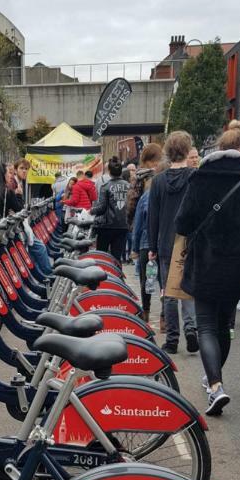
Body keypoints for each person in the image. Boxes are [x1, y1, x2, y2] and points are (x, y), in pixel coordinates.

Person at [175, 127, 240, 415]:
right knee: (224, 326)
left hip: (204, 264)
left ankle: (215, 385)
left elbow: (182, 224)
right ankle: (215, 379)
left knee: (205, 326)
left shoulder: (200, 179)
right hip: (237, 267)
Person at [148, 130, 199, 355]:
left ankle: (172, 338)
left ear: (168, 152)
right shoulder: (196, 177)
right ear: (188, 151)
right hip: (190, 241)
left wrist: (151, 246)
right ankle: (191, 329)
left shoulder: (158, 181)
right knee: (188, 286)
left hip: (167, 242)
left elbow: (153, 217)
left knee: (169, 291)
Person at [90, 156, 130, 261]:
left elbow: (102, 208)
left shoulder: (105, 186)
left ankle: (103, 276)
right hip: (122, 226)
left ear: (109, 171)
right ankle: (117, 276)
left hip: (106, 226)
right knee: (116, 258)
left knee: (102, 257)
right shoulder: (129, 186)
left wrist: (91, 211)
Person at [131, 167, 158, 322]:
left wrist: (134, 248)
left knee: (145, 279)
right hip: (163, 242)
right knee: (164, 281)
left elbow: (139, 225)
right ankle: (165, 318)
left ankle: (146, 311)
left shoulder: (145, 197)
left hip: (146, 243)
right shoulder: (164, 196)